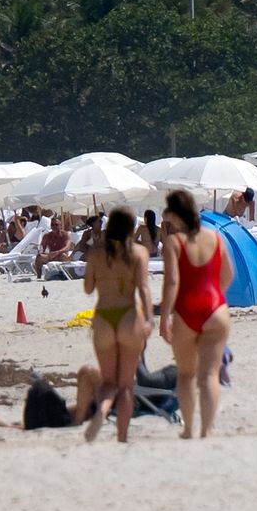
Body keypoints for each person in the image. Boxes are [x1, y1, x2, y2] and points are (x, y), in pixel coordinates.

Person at [159, 188, 231, 438]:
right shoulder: (216, 238)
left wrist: (164, 317)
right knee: (209, 374)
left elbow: (172, 282)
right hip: (216, 309)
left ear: (175, 214)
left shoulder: (174, 242)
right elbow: (227, 276)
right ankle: (207, 429)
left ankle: (189, 429)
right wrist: (214, 298)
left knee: (186, 374)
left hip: (187, 309)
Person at [76, 205, 150, 443]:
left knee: (108, 382)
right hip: (129, 316)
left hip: (104, 317)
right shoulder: (139, 253)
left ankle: (101, 413)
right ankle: (122, 437)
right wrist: (148, 319)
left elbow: (88, 289)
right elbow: (144, 290)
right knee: (126, 385)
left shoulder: (97, 253)